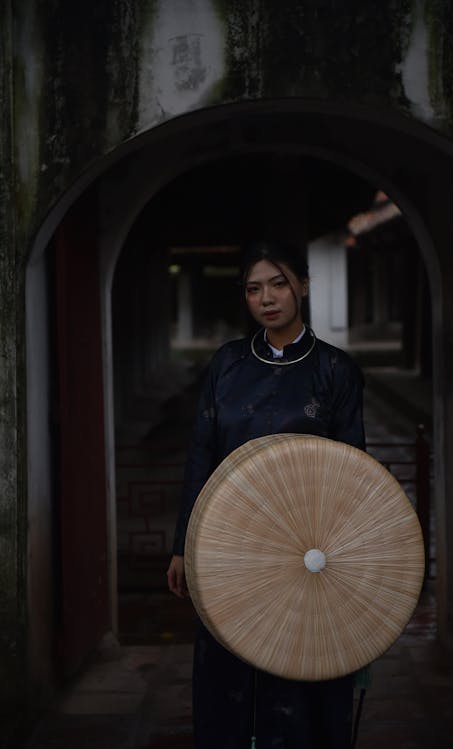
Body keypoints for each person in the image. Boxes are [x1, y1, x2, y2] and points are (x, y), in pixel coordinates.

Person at [167, 239, 366, 748]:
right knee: (228, 675)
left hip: (308, 547)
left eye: (278, 284)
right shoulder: (228, 364)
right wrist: (182, 543)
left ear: (301, 285)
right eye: (254, 289)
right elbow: (202, 454)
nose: (268, 298)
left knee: (301, 672)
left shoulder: (336, 370)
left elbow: (353, 471)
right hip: (229, 543)